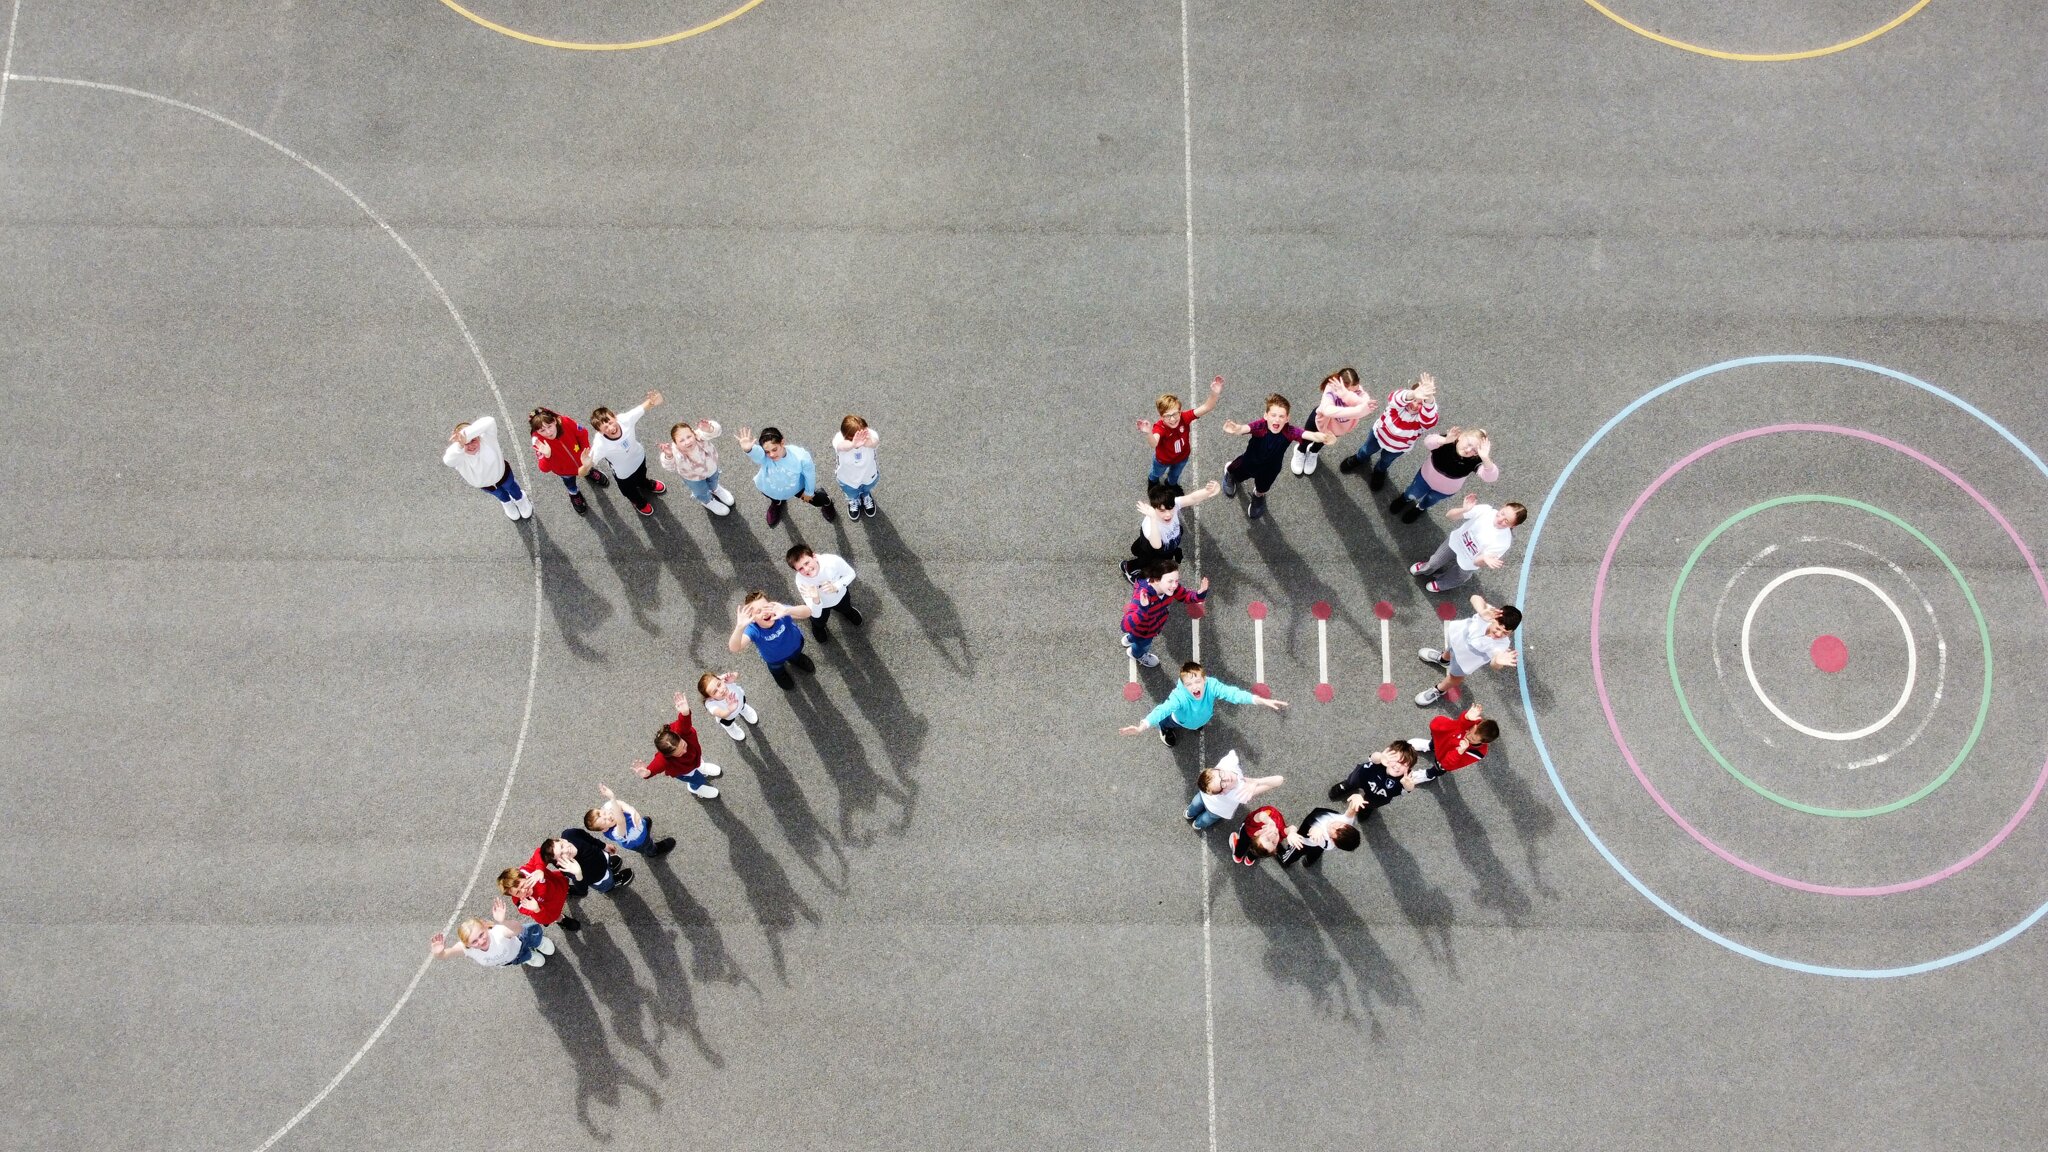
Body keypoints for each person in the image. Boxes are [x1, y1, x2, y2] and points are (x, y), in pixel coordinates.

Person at [1120, 660, 1288, 747]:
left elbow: (1233, 694)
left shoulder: (1212, 685)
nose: (1194, 687)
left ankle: (1196, 725)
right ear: (1183, 685)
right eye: (1189, 684)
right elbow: (1161, 710)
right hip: (1179, 720)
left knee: (1197, 723)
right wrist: (1142, 726)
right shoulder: (1179, 697)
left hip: (1200, 718)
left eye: (1197, 682)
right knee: (1165, 721)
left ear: (1204, 679)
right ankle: (1165, 730)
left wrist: (1259, 700)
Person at [1219, 394, 1335, 519]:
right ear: (1266, 416)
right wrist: (1236, 428)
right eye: (1273, 415)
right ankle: (1230, 474)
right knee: (1236, 471)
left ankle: (1258, 495)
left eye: (1281, 416)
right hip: (1249, 462)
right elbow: (1244, 428)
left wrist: (1323, 437)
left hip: (1271, 469)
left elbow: (1309, 435)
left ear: (1287, 418)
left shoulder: (1290, 432)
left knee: (1263, 487)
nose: (1277, 419)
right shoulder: (1260, 426)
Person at [1416, 594, 1522, 706]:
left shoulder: (1502, 644)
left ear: (1511, 633)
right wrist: (1481, 611)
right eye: (1498, 628)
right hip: (1457, 638)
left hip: (1465, 660)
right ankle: (1443, 660)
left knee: (1455, 677)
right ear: (1494, 619)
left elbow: (1495, 661)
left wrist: (1497, 662)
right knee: (1450, 650)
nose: (1499, 634)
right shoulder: (1489, 614)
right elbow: (1474, 597)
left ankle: (1439, 690)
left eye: (1505, 633)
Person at [1340, 372, 1438, 490]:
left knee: (1386, 461)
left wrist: (1429, 399)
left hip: (1398, 447)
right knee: (1366, 450)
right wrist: (1413, 394)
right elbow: (1394, 398)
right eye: (1414, 400)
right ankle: (1359, 458)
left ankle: (1379, 471)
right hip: (1378, 435)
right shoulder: (1399, 403)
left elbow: (1429, 420)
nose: (1415, 405)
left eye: (1421, 403)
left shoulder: (1422, 418)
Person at [1410, 496, 1527, 592]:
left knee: (1458, 577)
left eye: (1506, 521)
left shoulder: (1503, 542)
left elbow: (1477, 563)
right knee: (1434, 561)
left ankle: (1442, 584)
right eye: (1502, 513)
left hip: (1470, 560)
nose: (1500, 519)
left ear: (1513, 526)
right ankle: (1426, 568)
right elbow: (1449, 516)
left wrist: (1485, 558)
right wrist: (1464, 510)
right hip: (1456, 542)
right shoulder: (1486, 511)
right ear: (1503, 506)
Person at [1388, 424, 1498, 523]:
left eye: (1475, 450)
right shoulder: (1447, 441)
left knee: (1430, 500)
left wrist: (1485, 458)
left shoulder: (1476, 460)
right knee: (1413, 492)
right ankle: (1405, 499)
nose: (1469, 450)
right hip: (1424, 478)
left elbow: (1490, 477)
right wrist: (1444, 440)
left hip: (1445, 490)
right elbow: (1428, 442)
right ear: (1461, 437)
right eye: (1469, 444)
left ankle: (1420, 508)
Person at [1121, 480, 1222, 583]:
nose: (1168, 514)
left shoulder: (1173, 503)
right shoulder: (1150, 524)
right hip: (1153, 548)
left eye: (1170, 509)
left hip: (1168, 545)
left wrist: (1208, 491)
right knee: (1146, 561)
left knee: (1156, 562)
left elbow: (1192, 498)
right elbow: (1156, 545)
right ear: (1154, 508)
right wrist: (1153, 518)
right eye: (1162, 511)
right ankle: (1128, 568)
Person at [737, 426, 835, 528]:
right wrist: (749, 450)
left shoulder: (801, 457)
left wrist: (809, 492)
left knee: (818, 501)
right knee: (775, 499)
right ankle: (777, 504)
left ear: (782, 442)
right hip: (770, 488)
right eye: (767, 451)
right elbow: (758, 454)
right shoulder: (765, 456)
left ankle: (827, 502)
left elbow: (809, 475)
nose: (771, 455)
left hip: (797, 488)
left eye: (774, 449)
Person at [634, 691, 724, 799]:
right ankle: (695, 788)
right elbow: (655, 767)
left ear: (679, 736)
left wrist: (685, 712)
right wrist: (647, 773)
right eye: (679, 753)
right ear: (669, 755)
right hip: (685, 772)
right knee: (697, 779)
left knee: (698, 761)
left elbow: (684, 722)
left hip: (694, 759)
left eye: (684, 746)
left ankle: (701, 767)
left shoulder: (680, 731)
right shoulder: (664, 760)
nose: (685, 751)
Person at [1119, 559, 1208, 669]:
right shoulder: (1142, 598)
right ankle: (1136, 654)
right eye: (1170, 581)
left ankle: (1131, 638)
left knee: (1136, 637)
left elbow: (1184, 595)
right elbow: (1125, 625)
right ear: (1156, 580)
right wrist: (1142, 609)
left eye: (1176, 581)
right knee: (1143, 645)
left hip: (1148, 626)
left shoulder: (1169, 588)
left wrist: (1199, 594)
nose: (1175, 585)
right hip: (1145, 631)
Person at [589, 391, 666, 516]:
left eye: (610, 422)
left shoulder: (625, 419)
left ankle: (645, 484)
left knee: (642, 476)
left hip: (639, 458)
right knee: (629, 491)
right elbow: (587, 466)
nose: (610, 428)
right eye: (604, 428)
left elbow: (644, 406)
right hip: (623, 474)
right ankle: (638, 502)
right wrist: (584, 466)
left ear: (614, 416)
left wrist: (653, 401)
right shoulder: (600, 444)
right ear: (599, 431)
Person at [1140, 376, 1224, 486]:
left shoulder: (1184, 417)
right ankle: (1152, 482)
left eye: (1175, 414)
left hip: (1182, 458)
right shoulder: (1160, 427)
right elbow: (1154, 443)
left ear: (1180, 411)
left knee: (1175, 476)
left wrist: (1215, 393)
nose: (1172, 419)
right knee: (1156, 474)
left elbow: (1207, 407)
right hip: (1162, 460)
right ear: (1161, 417)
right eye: (1167, 416)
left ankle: (1170, 485)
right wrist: (1148, 432)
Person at [443, 417, 531, 520]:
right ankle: (507, 503)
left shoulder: (488, 439)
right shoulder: (459, 456)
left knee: (512, 488)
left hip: (503, 475)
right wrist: (459, 445)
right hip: (486, 485)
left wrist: (467, 435)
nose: (471, 446)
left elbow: (490, 421)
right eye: (466, 443)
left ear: (477, 435)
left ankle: (520, 499)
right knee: (500, 495)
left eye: (473, 440)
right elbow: (448, 461)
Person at [429, 898, 556, 969]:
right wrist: (438, 952)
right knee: (522, 957)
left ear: (485, 927)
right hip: (512, 958)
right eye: (474, 941)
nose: (481, 941)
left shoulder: (498, 932)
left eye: (481, 935)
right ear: (467, 944)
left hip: (521, 940)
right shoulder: (467, 949)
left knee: (529, 933)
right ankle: (529, 956)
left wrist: (503, 921)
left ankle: (539, 943)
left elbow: (517, 929)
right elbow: (444, 956)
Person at [1290, 368, 1373, 476]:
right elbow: (1327, 410)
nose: (1354, 393)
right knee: (1306, 438)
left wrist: (1348, 396)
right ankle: (1300, 451)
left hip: (1337, 429)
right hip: (1319, 421)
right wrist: (1357, 410)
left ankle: (1313, 453)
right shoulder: (1331, 388)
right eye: (1348, 391)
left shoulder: (1360, 393)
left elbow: (1366, 405)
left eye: (1355, 389)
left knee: (1320, 443)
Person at [728, 592, 818, 688]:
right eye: (758, 612)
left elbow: (808, 612)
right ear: (752, 619)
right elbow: (735, 648)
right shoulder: (753, 629)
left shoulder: (780, 610)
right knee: (776, 668)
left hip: (796, 646)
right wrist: (739, 627)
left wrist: (788, 610)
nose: (765, 612)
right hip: (774, 659)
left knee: (796, 656)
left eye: (766, 607)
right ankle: (779, 674)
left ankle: (797, 660)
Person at [529, 407, 609, 514]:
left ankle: (588, 472)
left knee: (587, 468)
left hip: (581, 460)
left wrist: (586, 452)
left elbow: (582, 433)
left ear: (554, 420)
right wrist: (547, 456)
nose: (548, 432)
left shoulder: (565, 421)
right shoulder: (538, 442)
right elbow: (543, 468)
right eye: (542, 430)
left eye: (549, 426)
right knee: (569, 483)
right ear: (536, 431)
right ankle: (573, 493)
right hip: (564, 471)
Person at [1185, 749, 1285, 831]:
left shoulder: (1227, 765)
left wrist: (1254, 782)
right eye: (1222, 784)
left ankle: (1189, 814)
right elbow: (1279, 780)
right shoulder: (1240, 792)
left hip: (1204, 797)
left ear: (1218, 769)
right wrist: (1255, 782)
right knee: (1206, 819)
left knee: (1195, 804)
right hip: (1216, 810)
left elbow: (1279, 780)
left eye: (1221, 775)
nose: (1226, 779)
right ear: (1222, 792)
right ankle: (1197, 824)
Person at [655, 417, 735, 517]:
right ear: (675, 443)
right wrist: (669, 455)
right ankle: (707, 501)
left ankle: (715, 489)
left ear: (694, 433)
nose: (687, 442)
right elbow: (669, 467)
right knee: (701, 491)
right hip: (693, 478)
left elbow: (716, 431)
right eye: (682, 440)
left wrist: (709, 428)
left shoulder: (699, 436)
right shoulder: (674, 451)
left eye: (689, 437)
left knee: (714, 480)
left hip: (711, 468)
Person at [787, 544, 863, 642]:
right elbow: (815, 613)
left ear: (814, 556)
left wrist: (836, 586)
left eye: (807, 563)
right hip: (821, 607)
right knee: (818, 620)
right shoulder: (801, 580)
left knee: (846, 607)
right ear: (796, 571)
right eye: (800, 569)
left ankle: (848, 611)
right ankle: (818, 627)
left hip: (840, 596)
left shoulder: (832, 561)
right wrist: (816, 599)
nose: (806, 569)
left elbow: (851, 574)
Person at [1408, 703, 1499, 784]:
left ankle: (1429, 775)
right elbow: (1457, 725)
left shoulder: (1478, 753)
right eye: (1471, 730)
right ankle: (1431, 746)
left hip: (1448, 756)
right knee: (1438, 737)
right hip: (1444, 740)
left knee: (1440, 767)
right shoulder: (1474, 721)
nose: (1467, 735)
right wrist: (1466, 718)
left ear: (1483, 742)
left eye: (1472, 738)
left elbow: (1449, 765)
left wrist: (1459, 752)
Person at [1327, 741, 1421, 816]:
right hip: (1362, 777)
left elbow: (1408, 788)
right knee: (1351, 782)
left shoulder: (1405, 778)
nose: (1398, 766)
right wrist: (1380, 757)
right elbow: (1374, 757)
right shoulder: (1381, 760)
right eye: (1396, 760)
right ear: (1388, 755)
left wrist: (1409, 786)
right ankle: (1346, 786)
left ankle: (1367, 807)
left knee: (1371, 803)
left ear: (1409, 768)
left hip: (1380, 795)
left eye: (1404, 764)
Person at [585, 783, 676, 856]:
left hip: (638, 826)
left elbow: (620, 804)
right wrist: (612, 798)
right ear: (604, 829)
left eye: (604, 813)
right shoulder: (614, 833)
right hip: (638, 841)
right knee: (647, 845)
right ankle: (653, 851)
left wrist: (632, 811)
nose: (608, 816)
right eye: (605, 821)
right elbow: (621, 822)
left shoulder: (607, 807)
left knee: (644, 823)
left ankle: (644, 827)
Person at [1276, 797, 1368, 869]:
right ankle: (1309, 861)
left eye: (1334, 831)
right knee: (1317, 851)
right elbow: (1352, 810)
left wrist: (1316, 829)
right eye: (1339, 825)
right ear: (1349, 826)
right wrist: (1358, 798)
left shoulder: (1324, 840)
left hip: (1304, 841)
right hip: (1318, 844)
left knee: (1296, 851)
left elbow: (1313, 834)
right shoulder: (1346, 822)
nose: (1333, 825)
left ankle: (1284, 860)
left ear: (1333, 841)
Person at [542, 829, 631, 896]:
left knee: (607, 864)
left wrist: (604, 846)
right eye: (561, 854)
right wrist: (578, 874)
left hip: (602, 857)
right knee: (607, 883)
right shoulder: (569, 868)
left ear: (562, 839)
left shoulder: (570, 834)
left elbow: (589, 838)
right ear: (559, 862)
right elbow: (582, 891)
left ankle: (609, 867)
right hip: (600, 878)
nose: (566, 850)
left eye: (562, 846)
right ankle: (611, 885)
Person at [497, 859, 578, 933]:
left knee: (572, 888)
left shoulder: (528, 871)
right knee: (554, 917)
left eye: (522, 885)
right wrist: (537, 910)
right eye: (518, 892)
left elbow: (540, 852)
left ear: (524, 877)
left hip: (560, 887)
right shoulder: (523, 904)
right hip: (553, 910)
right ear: (513, 895)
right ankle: (561, 919)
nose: (523, 891)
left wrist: (539, 869)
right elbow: (543, 920)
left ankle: (568, 889)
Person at [833, 415, 882, 521]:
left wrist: (868, 442)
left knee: (867, 488)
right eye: (859, 434)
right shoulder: (839, 438)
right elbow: (841, 446)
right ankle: (853, 500)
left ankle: (866, 496)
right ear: (848, 436)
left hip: (869, 475)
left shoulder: (869, 434)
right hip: (848, 479)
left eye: (865, 430)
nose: (864, 434)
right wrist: (853, 445)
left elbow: (875, 442)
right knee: (851, 493)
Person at [698, 670, 761, 742]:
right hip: (727, 717)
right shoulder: (710, 704)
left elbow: (737, 674)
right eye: (715, 691)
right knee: (728, 723)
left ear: (720, 679)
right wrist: (729, 710)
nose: (721, 690)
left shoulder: (725, 680)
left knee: (742, 705)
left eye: (719, 685)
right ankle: (730, 728)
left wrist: (734, 676)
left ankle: (744, 709)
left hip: (740, 700)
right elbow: (720, 714)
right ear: (710, 697)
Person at [1229, 804, 1300, 866]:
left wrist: (1269, 821)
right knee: (1259, 852)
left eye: (1267, 839)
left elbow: (1260, 815)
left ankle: (1238, 856)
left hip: (1247, 833)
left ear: (1258, 833)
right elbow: (1291, 828)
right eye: (1274, 843)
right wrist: (1292, 833)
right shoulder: (1279, 833)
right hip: (1258, 837)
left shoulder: (1254, 825)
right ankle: (1249, 859)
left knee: (1243, 843)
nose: (1273, 836)